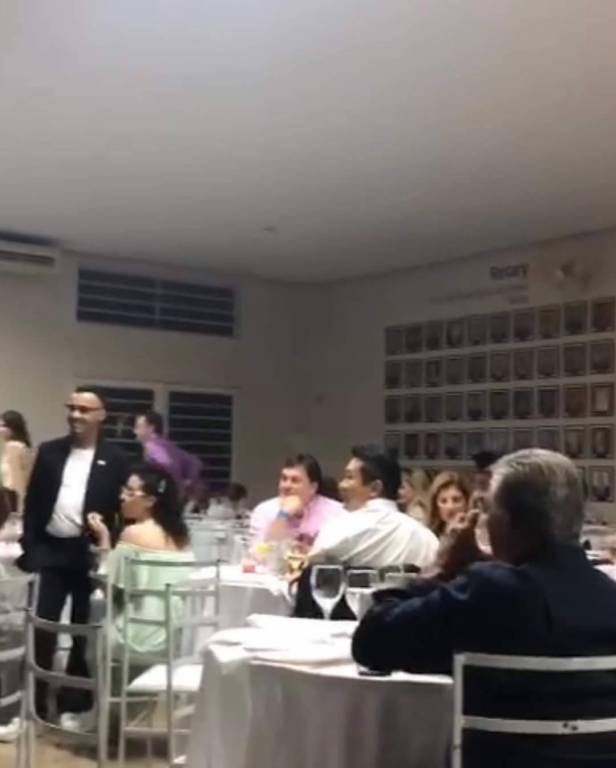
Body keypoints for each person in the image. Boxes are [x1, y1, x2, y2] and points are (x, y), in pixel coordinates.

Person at [353, 449, 616, 767]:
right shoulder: (608, 596)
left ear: (508, 522)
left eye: (488, 510)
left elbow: (372, 642)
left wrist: (439, 569)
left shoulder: (488, 592)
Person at [19, 386, 129, 722]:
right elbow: (33, 503)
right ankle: (36, 705)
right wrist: (31, 547)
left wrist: (109, 545)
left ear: (101, 416)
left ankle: (75, 703)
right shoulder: (49, 452)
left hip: (88, 554)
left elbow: (123, 510)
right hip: (50, 551)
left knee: (85, 629)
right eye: (71, 408)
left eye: (84, 409)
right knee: (42, 628)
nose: (75, 415)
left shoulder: (116, 459)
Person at [88, 464, 194, 656]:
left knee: (95, 615)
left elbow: (108, 585)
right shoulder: (182, 538)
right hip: (174, 637)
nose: (122, 497)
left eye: (130, 492)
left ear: (150, 501)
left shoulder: (133, 533)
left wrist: (104, 537)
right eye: (123, 490)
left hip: (134, 633)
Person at [309, 446, 438, 570]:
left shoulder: (339, 529)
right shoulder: (427, 539)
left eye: (349, 477)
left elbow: (311, 568)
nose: (342, 485)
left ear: (375, 488)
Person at [250, 454, 344, 548]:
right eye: (284, 479)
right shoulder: (263, 511)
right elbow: (261, 553)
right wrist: (283, 515)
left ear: (313, 487)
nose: (286, 486)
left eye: (295, 481)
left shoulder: (336, 513)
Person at [134, 411, 203, 504]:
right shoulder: (168, 445)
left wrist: (161, 490)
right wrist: (186, 484)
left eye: (138, 427)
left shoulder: (152, 445)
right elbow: (195, 462)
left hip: (164, 500)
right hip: (176, 498)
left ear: (151, 428)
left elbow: (166, 465)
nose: (135, 431)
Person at [0, 410, 33, 515]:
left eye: (3, 426)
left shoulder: (15, 447)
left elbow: (19, 481)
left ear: (13, 428)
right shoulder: (10, 447)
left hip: (12, 502)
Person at [427, 471, 471, 537]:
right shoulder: (429, 535)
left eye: (456, 500)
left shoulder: (475, 534)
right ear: (435, 506)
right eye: (443, 501)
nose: (450, 507)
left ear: (466, 502)